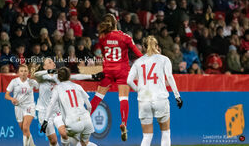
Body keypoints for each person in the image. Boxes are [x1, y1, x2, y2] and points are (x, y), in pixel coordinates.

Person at [90, 13, 143, 141]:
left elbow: (103, 54)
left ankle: (85, 119)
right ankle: (124, 123)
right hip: (122, 71)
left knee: (98, 97)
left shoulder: (102, 38)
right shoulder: (125, 37)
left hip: (108, 71)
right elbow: (138, 54)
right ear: (116, 23)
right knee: (123, 98)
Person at [127, 36, 183, 146]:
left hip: (144, 101)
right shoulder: (164, 59)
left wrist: (139, 90)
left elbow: (129, 80)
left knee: (147, 136)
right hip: (160, 99)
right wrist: (177, 96)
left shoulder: (138, 62)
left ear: (143, 47)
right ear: (157, 46)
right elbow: (170, 78)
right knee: (165, 133)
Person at [33, 58, 102, 146]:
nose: (53, 63)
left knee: (64, 134)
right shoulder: (42, 78)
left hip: (58, 111)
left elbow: (75, 76)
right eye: (49, 62)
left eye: (53, 61)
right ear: (44, 66)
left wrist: (92, 76)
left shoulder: (59, 76)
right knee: (53, 141)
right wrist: (49, 71)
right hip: (44, 111)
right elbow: (36, 74)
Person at [5, 64, 38, 146]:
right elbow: (6, 95)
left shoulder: (31, 81)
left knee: (26, 127)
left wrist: (34, 77)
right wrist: (12, 99)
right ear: (18, 72)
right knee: (24, 130)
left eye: (25, 71)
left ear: (28, 72)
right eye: (21, 71)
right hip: (18, 107)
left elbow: (37, 86)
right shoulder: (14, 82)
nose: (23, 73)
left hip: (29, 106)